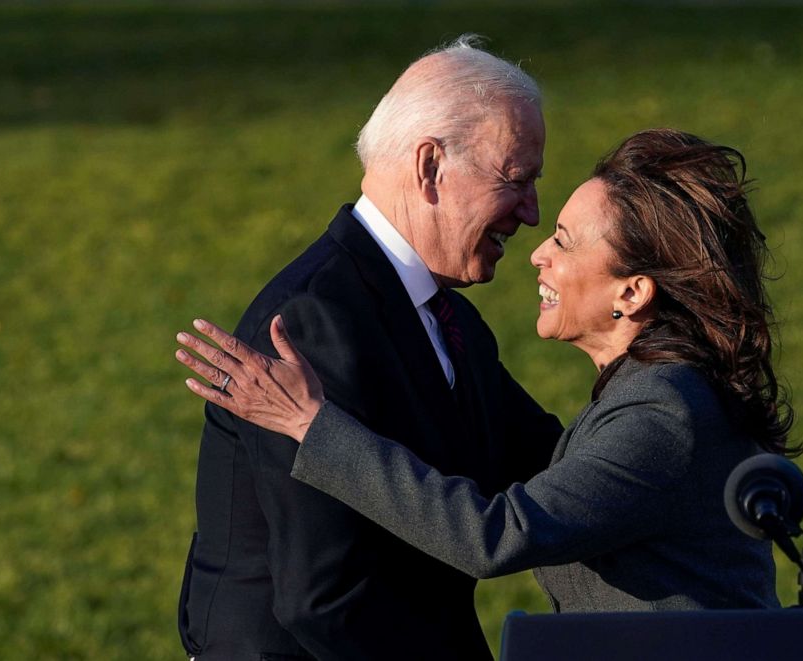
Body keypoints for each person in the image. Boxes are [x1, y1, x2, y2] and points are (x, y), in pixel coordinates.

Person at [177, 128, 802, 616]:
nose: (539, 253)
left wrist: (311, 424)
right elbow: (528, 456)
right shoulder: (656, 390)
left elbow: (496, 535)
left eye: (563, 241)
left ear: (633, 292)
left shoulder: (663, 412)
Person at [174, 36, 564, 660]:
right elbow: (325, 598)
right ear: (430, 166)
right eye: (517, 179)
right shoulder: (309, 324)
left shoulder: (447, 316)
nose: (533, 212)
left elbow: (546, 465)